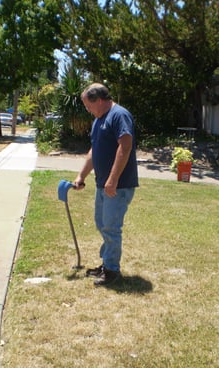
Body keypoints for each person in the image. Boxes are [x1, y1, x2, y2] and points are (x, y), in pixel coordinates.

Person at [74, 83, 138, 286]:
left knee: (111, 227)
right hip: (104, 184)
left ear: (99, 100)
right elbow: (94, 151)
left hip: (118, 185)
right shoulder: (99, 120)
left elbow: (125, 146)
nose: (87, 110)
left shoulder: (119, 115)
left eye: (88, 105)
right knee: (101, 223)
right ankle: (107, 263)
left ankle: (111, 270)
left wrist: (113, 179)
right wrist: (81, 176)